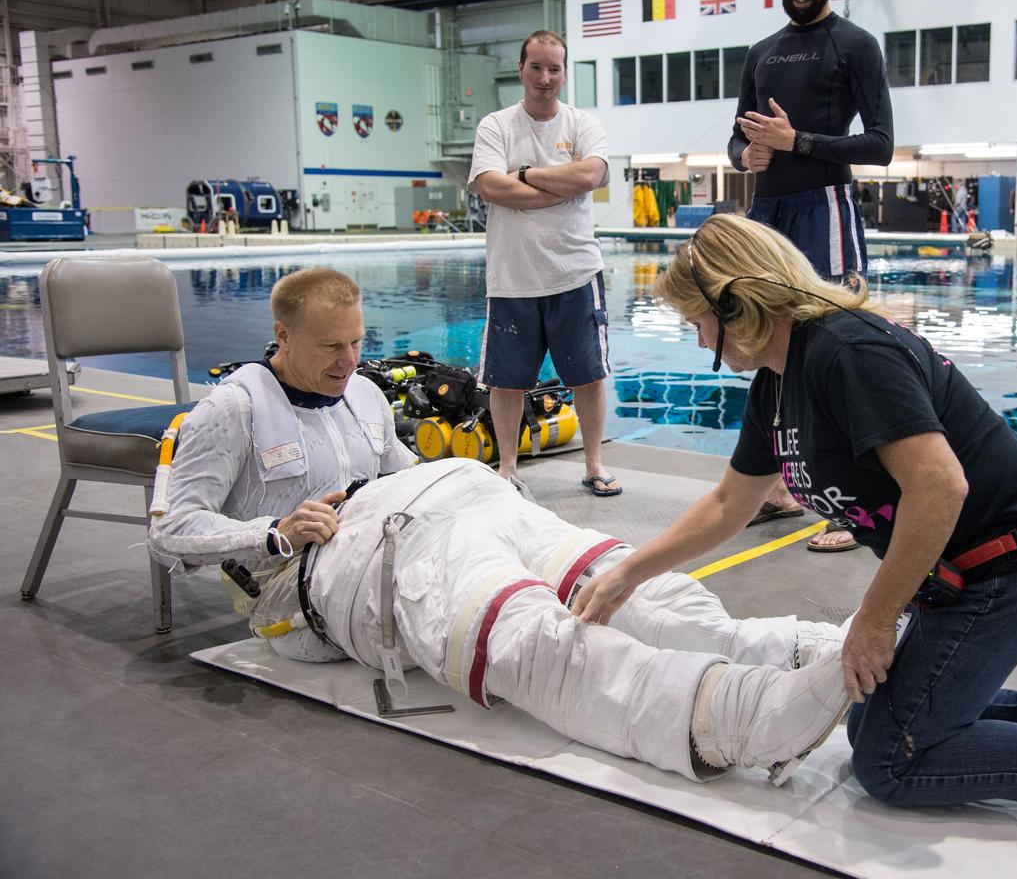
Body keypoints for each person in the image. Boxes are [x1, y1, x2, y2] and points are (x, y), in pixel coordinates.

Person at [571, 215, 1017, 856]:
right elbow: (727, 503)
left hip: (1012, 565)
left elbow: (941, 487)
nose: (696, 342)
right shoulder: (776, 386)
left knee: (892, 762)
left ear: (739, 304)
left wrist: (874, 618)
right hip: (956, 574)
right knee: (873, 723)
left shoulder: (847, 351)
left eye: (698, 324)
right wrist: (630, 573)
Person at [148, 267, 854, 786]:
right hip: (321, 572)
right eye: (330, 347)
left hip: (428, 509)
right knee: (522, 627)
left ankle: (795, 648)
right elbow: (171, 530)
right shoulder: (230, 408)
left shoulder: (361, 393)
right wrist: (272, 532)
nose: (348, 361)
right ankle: (735, 718)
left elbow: (396, 470)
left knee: (604, 577)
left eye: (356, 342)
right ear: (280, 335)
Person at [730, 0, 895, 545]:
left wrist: (796, 141)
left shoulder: (854, 44)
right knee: (767, 348)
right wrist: (746, 156)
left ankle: (855, 505)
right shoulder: (762, 51)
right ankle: (782, 487)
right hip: (767, 214)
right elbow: (736, 136)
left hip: (823, 207)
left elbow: (879, 144)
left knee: (837, 350)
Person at [468, 30, 619, 497]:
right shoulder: (496, 126)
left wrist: (528, 176)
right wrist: (561, 185)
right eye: (536, 66)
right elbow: (491, 187)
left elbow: (591, 175)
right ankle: (508, 468)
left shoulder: (583, 124)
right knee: (506, 381)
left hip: (574, 272)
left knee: (589, 375)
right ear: (521, 69)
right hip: (512, 277)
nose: (545, 77)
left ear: (565, 73)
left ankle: (594, 464)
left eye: (554, 68)